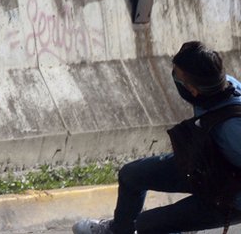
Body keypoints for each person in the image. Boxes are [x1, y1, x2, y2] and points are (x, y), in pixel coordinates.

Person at [73, 41, 241, 234]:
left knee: (150, 224)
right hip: (207, 164)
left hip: (228, 195)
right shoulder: (218, 83)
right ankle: (119, 230)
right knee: (131, 175)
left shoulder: (233, 130)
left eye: (177, 77)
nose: (174, 78)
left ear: (193, 90)